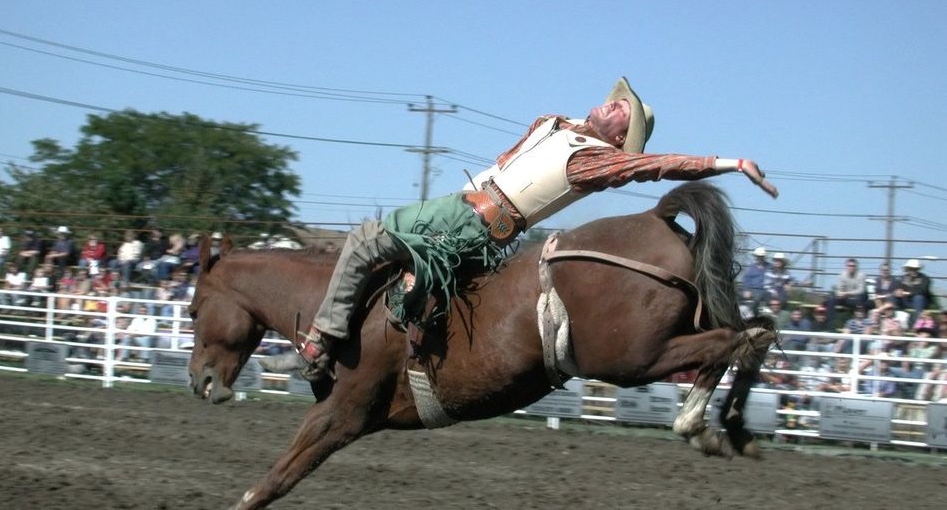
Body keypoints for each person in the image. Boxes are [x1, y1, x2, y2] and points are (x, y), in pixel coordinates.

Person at [262, 78, 779, 384]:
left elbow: (656, 166)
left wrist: (728, 162)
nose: (614, 103)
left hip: (476, 221)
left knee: (366, 240)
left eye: (625, 112)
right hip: (462, 205)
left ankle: (318, 344)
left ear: (621, 139)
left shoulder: (593, 162)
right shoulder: (553, 125)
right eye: (619, 100)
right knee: (390, 264)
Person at [826, 257, 868, 325]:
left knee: (862, 297)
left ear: (856, 267)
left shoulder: (861, 275)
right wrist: (840, 294)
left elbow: (861, 290)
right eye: (849, 266)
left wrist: (846, 293)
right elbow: (839, 290)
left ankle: (860, 325)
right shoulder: (842, 275)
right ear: (846, 266)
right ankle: (830, 325)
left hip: (858, 299)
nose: (851, 267)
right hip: (846, 299)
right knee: (831, 301)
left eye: (853, 266)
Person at [895, 259, 935, 327]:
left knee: (918, 297)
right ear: (908, 269)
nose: (913, 271)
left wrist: (908, 293)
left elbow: (922, 291)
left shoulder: (925, 278)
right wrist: (898, 291)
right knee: (894, 297)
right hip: (907, 301)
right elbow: (899, 287)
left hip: (921, 302)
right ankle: (895, 322)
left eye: (915, 269)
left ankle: (916, 324)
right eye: (911, 269)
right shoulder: (903, 278)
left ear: (918, 269)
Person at [738, 247, 770, 314]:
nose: (759, 258)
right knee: (737, 294)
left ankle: (751, 314)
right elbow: (746, 279)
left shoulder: (769, 267)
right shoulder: (752, 267)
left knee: (756, 298)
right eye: (757, 256)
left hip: (763, 289)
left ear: (764, 257)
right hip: (751, 289)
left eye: (761, 256)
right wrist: (747, 289)